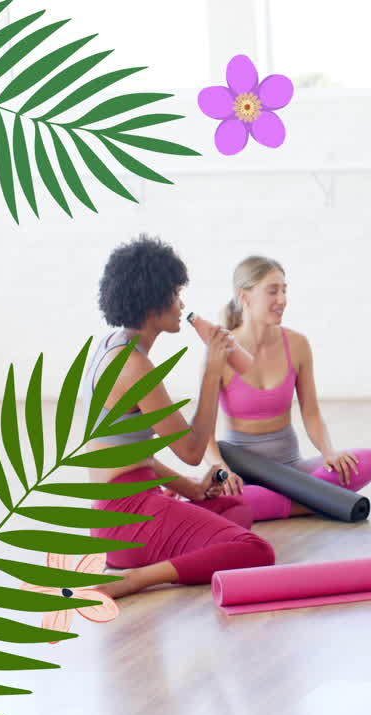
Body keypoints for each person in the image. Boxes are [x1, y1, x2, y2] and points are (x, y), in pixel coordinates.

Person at [82, 235, 275, 599]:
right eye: (174, 295)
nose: (181, 304)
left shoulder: (110, 347)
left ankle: (143, 556)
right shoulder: (134, 366)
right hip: (127, 516)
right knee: (256, 550)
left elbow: (130, 456)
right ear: (152, 304)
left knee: (234, 508)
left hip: (117, 512)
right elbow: (190, 450)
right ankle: (137, 578)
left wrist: (187, 488)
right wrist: (212, 372)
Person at [203, 255, 371, 520]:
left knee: (367, 460)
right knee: (228, 497)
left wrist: (328, 452)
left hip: (295, 470)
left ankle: (281, 503)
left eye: (284, 290)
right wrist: (221, 469)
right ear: (244, 296)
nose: (282, 299)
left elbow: (311, 412)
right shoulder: (220, 351)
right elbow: (204, 429)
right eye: (272, 291)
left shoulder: (297, 345)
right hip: (245, 476)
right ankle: (315, 502)